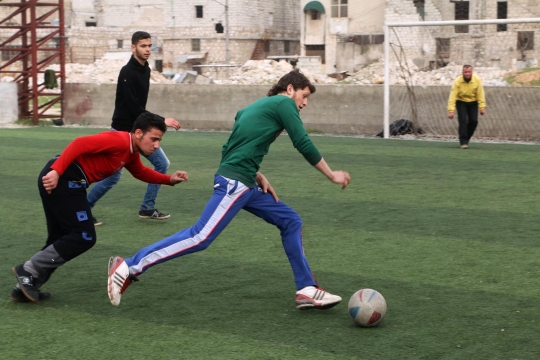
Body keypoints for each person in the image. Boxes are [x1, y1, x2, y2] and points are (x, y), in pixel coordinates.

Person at [107, 69, 351, 310]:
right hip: (235, 184)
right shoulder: (284, 104)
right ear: (289, 89)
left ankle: (306, 289)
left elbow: (231, 148)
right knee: (199, 237)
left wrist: (255, 173)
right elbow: (302, 141)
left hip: (243, 181)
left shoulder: (248, 110)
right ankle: (129, 266)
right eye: (304, 95)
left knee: (290, 221)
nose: (305, 103)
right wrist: (331, 174)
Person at [11, 113, 188, 303]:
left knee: (59, 239)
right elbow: (80, 143)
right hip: (62, 179)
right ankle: (27, 271)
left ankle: (24, 287)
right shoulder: (120, 140)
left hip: (67, 180)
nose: (156, 145)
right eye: (153, 139)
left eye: (159, 140)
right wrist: (57, 171)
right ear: (138, 133)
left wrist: (168, 179)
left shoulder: (130, 153)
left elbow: (140, 172)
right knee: (84, 236)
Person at [87, 30, 181, 226]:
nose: (147, 50)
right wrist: (163, 121)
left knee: (162, 163)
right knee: (112, 177)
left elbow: (139, 109)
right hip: (122, 133)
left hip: (139, 130)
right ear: (133, 47)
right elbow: (134, 108)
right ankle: (83, 209)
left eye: (149, 46)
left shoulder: (146, 69)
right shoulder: (127, 72)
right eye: (143, 46)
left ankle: (147, 208)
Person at [447, 65, 486, 149]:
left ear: (472, 72)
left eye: (469, 72)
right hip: (461, 102)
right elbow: (453, 96)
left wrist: (482, 107)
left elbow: (480, 94)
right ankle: (463, 142)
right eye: (465, 72)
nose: (467, 74)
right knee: (463, 121)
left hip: (473, 102)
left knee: (474, 121)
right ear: (462, 72)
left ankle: (466, 137)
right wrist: (451, 110)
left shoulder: (477, 80)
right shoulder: (457, 81)